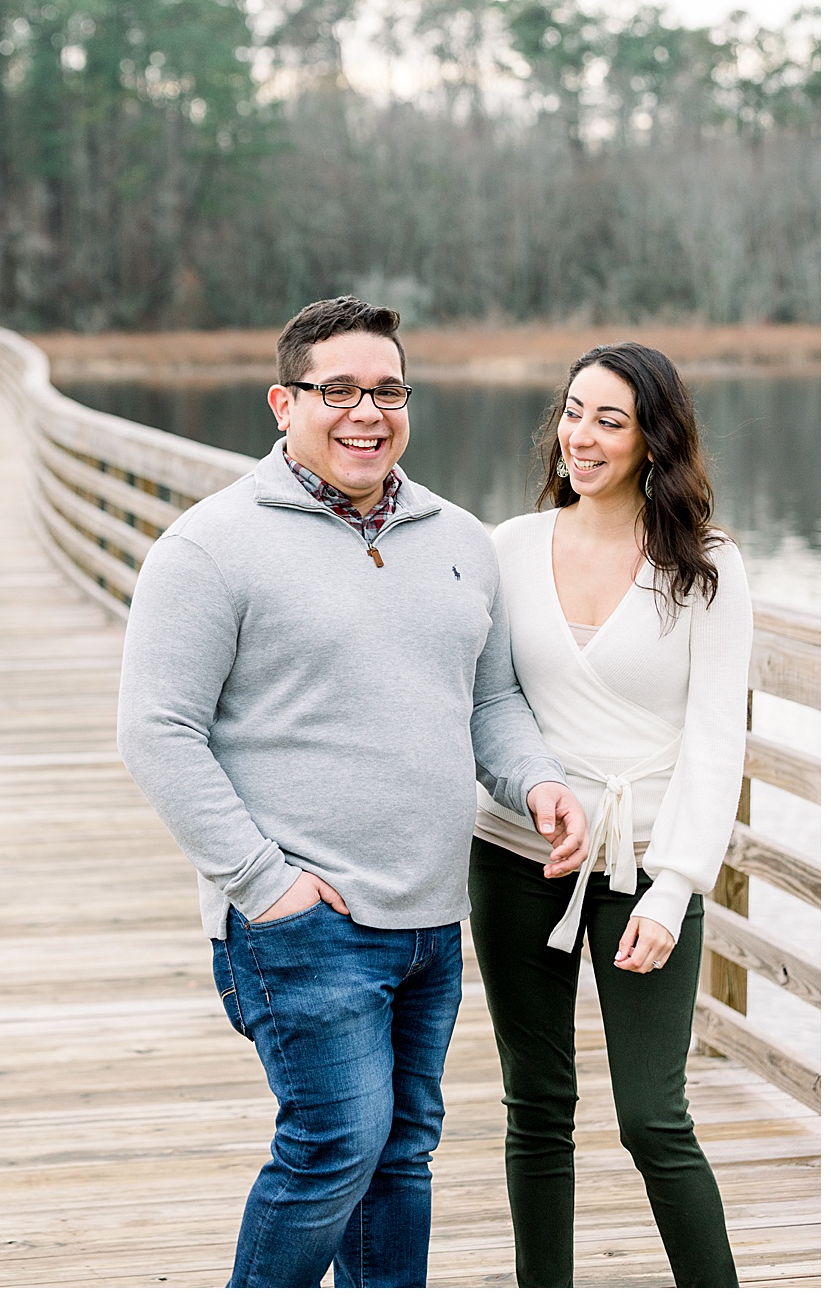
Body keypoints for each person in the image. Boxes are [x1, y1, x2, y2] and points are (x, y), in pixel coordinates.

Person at [117, 295, 589, 1287]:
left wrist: (537, 780)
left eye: (387, 389)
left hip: (430, 918)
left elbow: (490, 701)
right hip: (302, 916)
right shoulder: (211, 547)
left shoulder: (459, 537)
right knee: (335, 1145)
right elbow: (156, 733)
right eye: (339, 390)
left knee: (401, 1151)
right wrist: (265, 883)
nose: (366, 411)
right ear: (283, 403)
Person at [469, 342, 750, 1287]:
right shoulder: (506, 548)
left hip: (646, 870)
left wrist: (674, 892)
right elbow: (487, 702)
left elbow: (717, 742)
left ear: (653, 442)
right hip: (518, 857)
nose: (579, 437)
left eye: (609, 421)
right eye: (573, 411)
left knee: (653, 1117)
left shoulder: (707, 568)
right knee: (536, 1104)